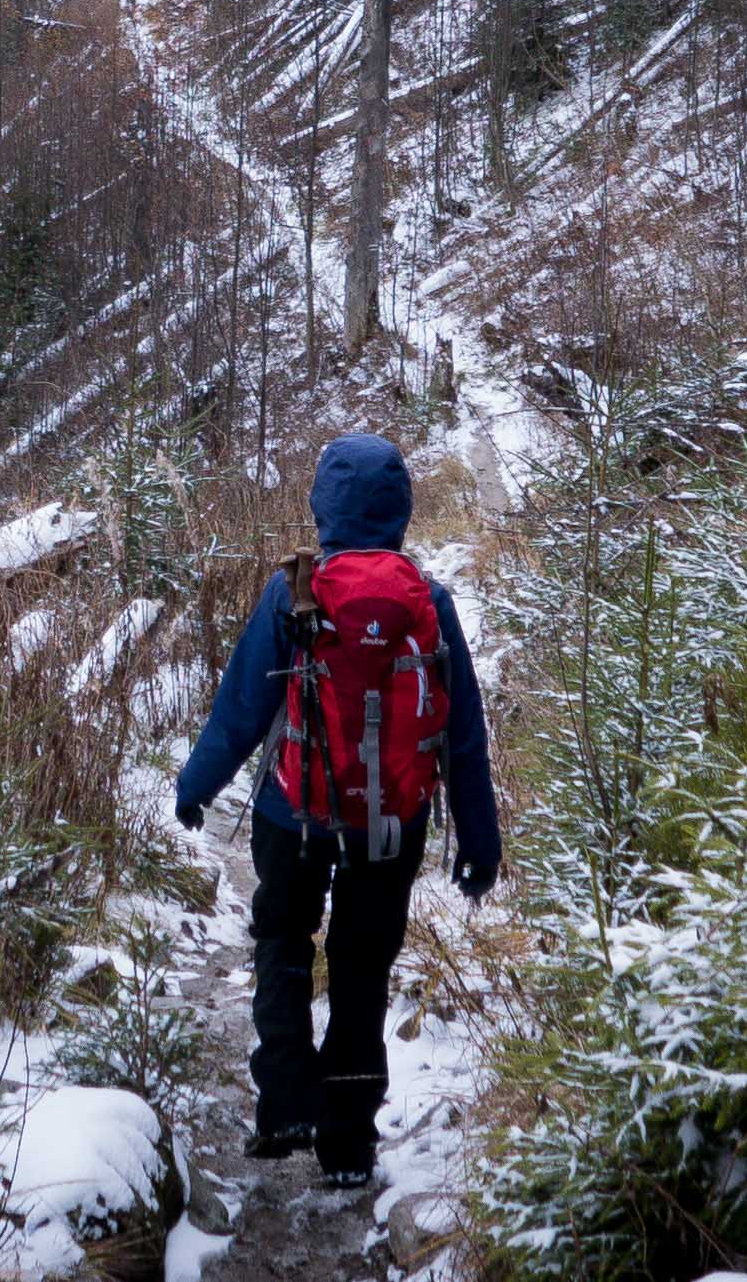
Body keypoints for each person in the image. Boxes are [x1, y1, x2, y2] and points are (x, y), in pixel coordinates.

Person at [172, 433, 500, 1189]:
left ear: (323, 504)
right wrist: (479, 841)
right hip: (393, 824)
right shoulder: (430, 601)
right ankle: (348, 1141)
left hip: (293, 813)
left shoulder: (295, 590)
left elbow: (242, 709)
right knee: (361, 964)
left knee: (284, 937)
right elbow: (464, 734)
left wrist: (196, 786)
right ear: (401, 509)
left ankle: (286, 1101)